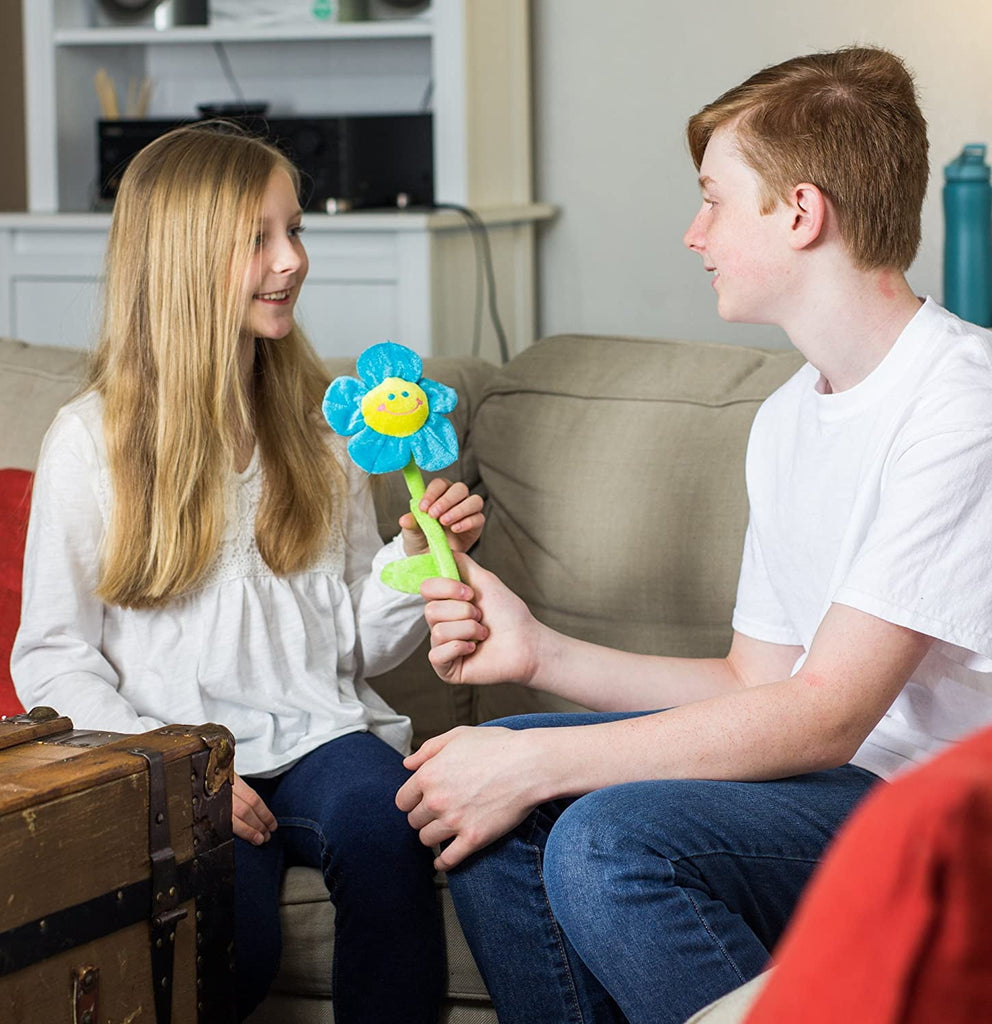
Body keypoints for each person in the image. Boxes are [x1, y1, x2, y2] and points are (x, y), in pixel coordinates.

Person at [394, 46, 992, 1024]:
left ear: (799, 213)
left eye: (713, 200)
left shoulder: (960, 406)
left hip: (937, 811)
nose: (692, 232)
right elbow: (752, 685)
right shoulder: (791, 414)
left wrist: (543, 766)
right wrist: (539, 651)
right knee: (489, 788)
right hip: (829, 781)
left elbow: (826, 712)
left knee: (603, 837)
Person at [11, 123, 485, 1023]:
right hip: (180, 749)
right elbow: (53, 657)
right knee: (239, 941)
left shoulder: (318, 428)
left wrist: (419, 558)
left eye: (296, 230)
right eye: (260, 239)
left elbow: (352, 644)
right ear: (185, 260)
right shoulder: (91, 442)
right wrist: (178, 770)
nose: (293, 260)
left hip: (319, 734)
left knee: (386, 831)